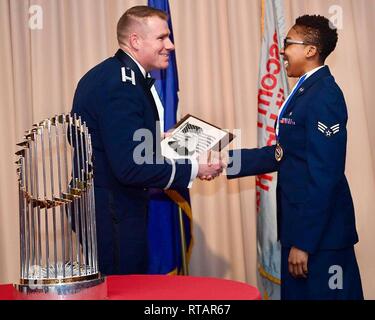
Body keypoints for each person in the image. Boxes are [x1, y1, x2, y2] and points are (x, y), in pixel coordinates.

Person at [71, 6, 223, 275]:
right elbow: (130, 167)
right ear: (135, 41)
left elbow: (100, 141)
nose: (170, 46)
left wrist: (155, 139)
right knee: (123, 290)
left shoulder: (109, 74)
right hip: (114, 213)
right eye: (162, 38)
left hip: (108, 209)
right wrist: (196, 168)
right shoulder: (121, 85)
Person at [227, 15, 363, 300]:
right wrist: (222, 162)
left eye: (288, 43)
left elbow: (325, 176)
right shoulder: (304, 90)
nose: (283, 51)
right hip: (302, 231)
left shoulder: (324, 95)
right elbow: (281, 154)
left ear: (311, 50)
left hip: (319, 240)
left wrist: (304, 243)